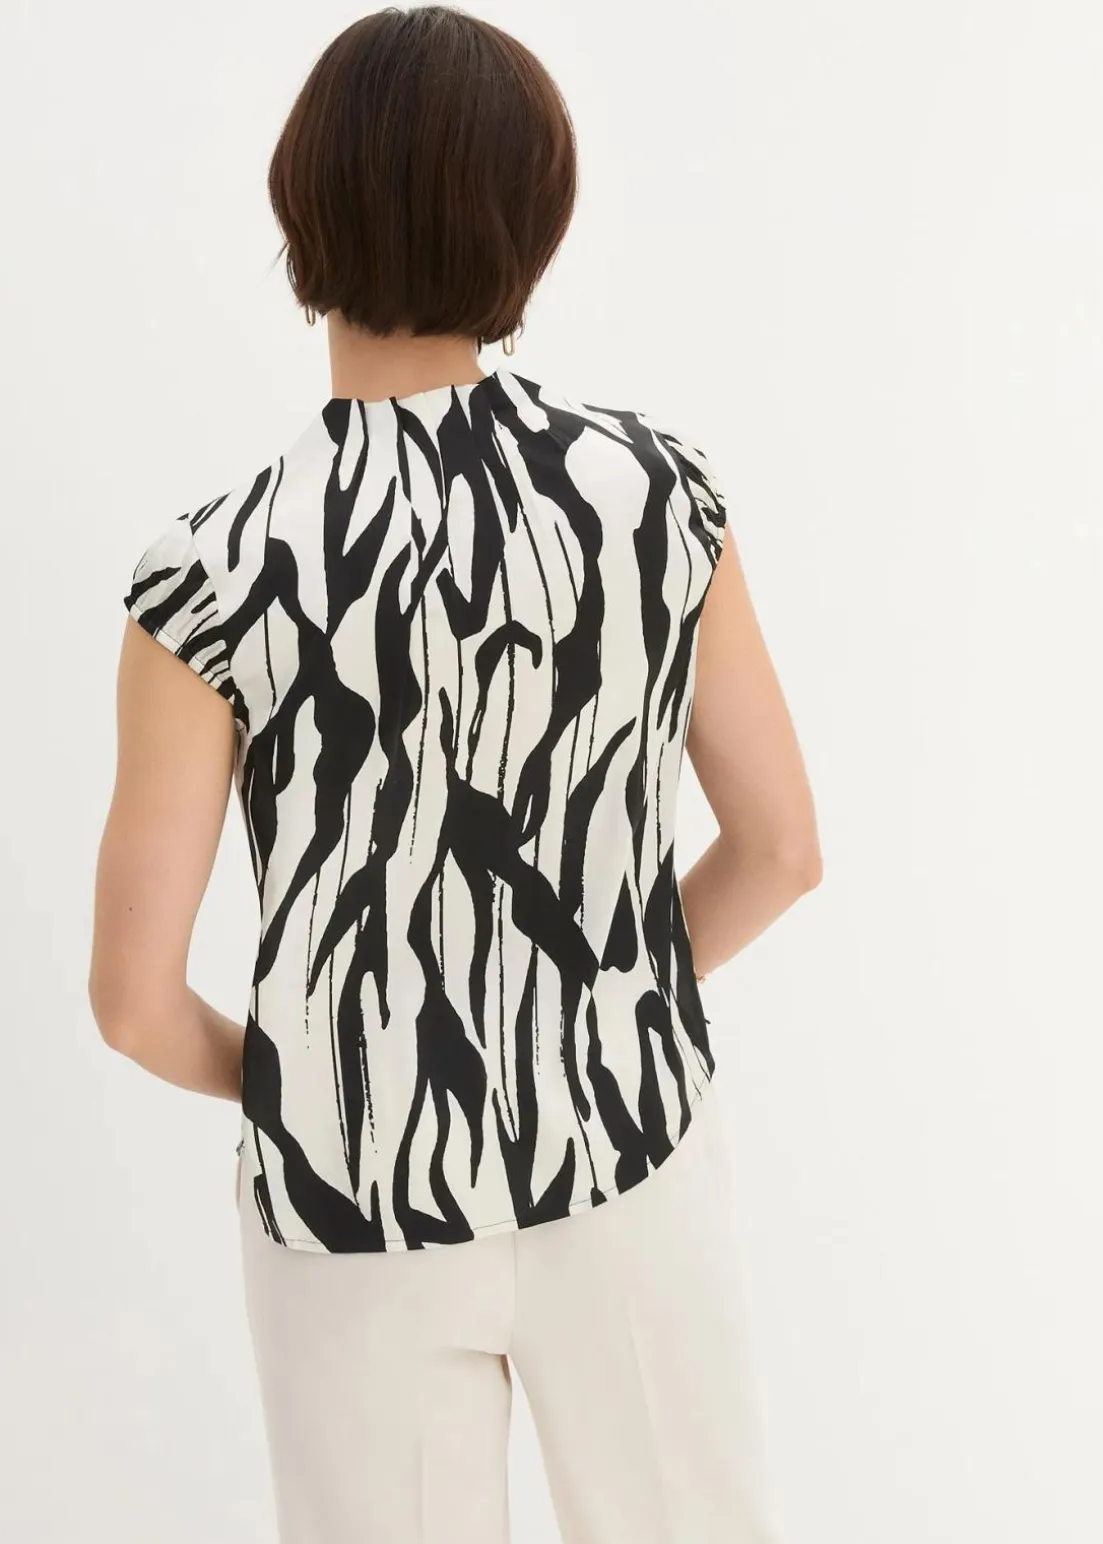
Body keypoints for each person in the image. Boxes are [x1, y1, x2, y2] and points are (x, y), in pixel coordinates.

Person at [89, 7, 821, 1541]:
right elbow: (777, 849)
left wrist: (313, 1076)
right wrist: (596, 1006)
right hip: (626, 1150)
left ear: (301, 206)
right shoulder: (652, 499)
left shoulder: (211, 576)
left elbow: (135, 1003)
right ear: (532, 223)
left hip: (352, 1205)